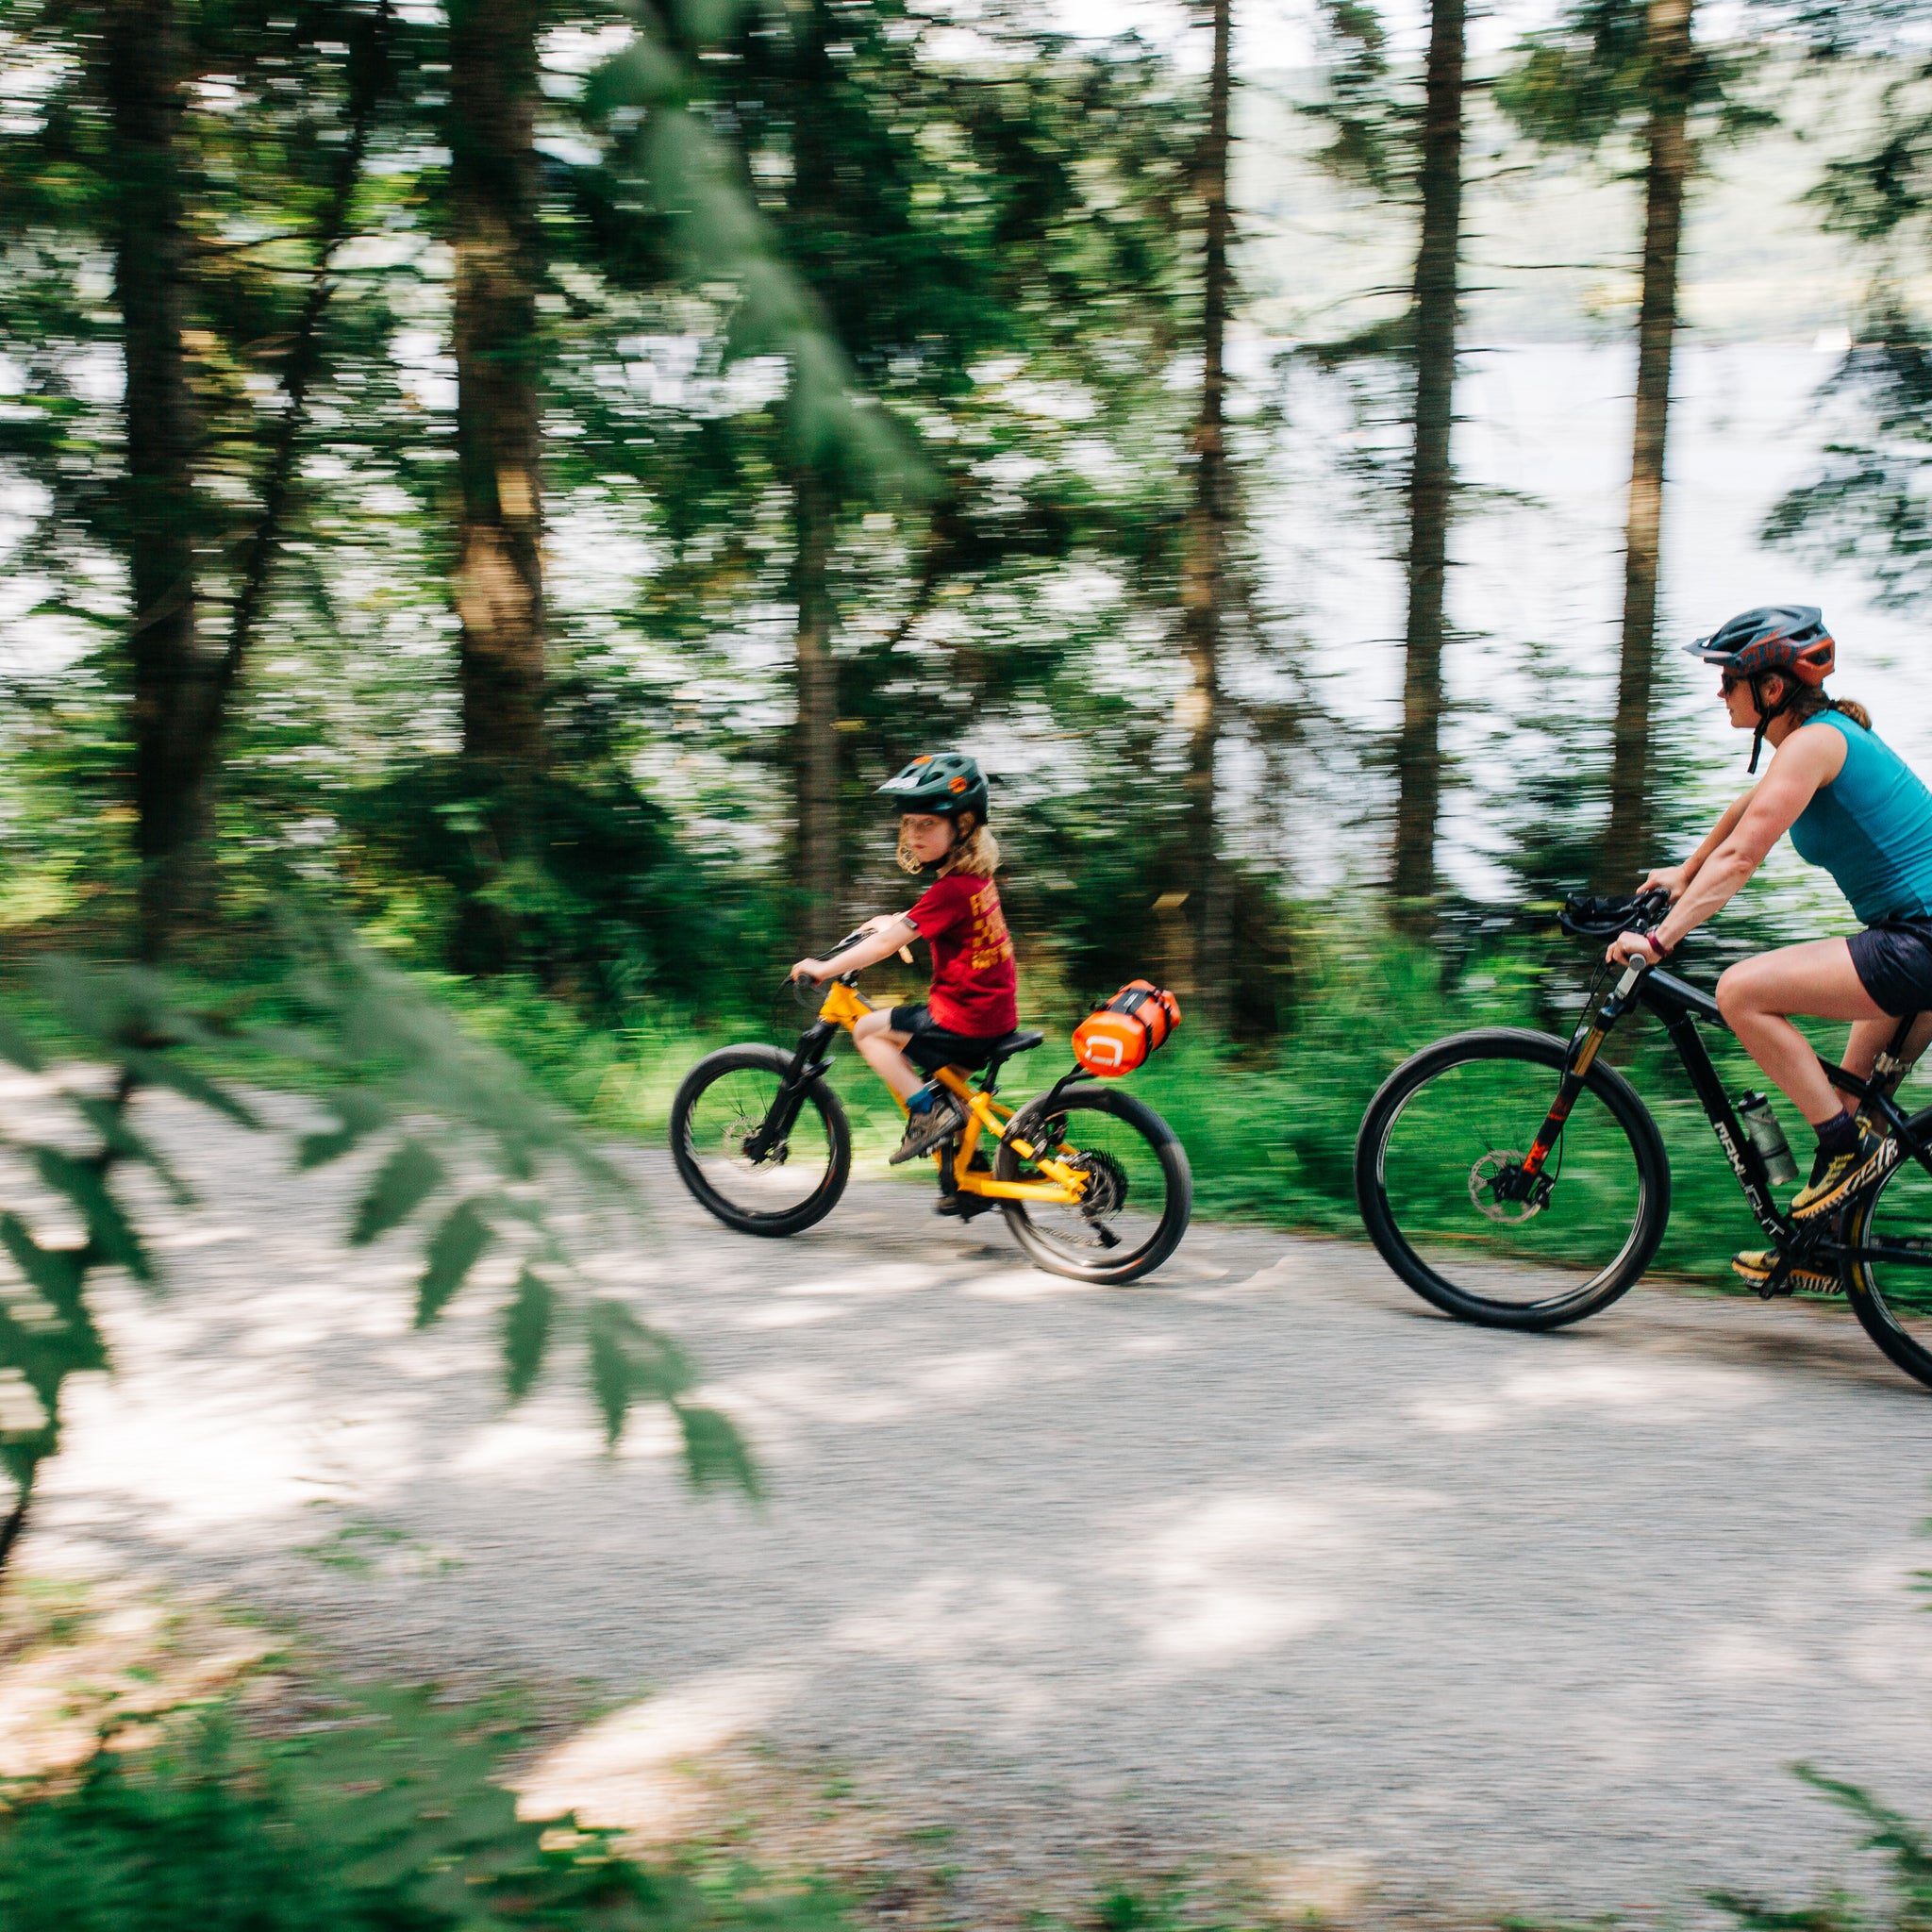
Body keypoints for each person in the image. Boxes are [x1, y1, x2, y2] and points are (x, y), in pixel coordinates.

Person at [1603, 605, 1932, 1290]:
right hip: (1912, 944)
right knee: (1852, 1102)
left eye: (1728, 681)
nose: (1719, 692)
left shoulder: (1815, 744)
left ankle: (1842, 1153)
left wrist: (1660, 939)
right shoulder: (1812, 742)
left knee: (1741, 991)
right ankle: (1822, 1251)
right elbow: (1741, 818)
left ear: (1772, 688)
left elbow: (1744, 855)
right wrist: (1680, 874)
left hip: (1916, 944)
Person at [790, 752, 1019, 1186]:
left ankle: (925, 1117)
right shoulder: (974, 878)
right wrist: (894, 921)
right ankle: (968, 1179)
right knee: (950, 1090)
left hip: (963, 1018)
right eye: (909, 823)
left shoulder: (949, 890)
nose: (913, 834)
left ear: (963, 826)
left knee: (867, 1031)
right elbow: (922, 920)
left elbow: (884, 946)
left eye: (927, 824)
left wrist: (823, 967)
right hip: (993, 1014)